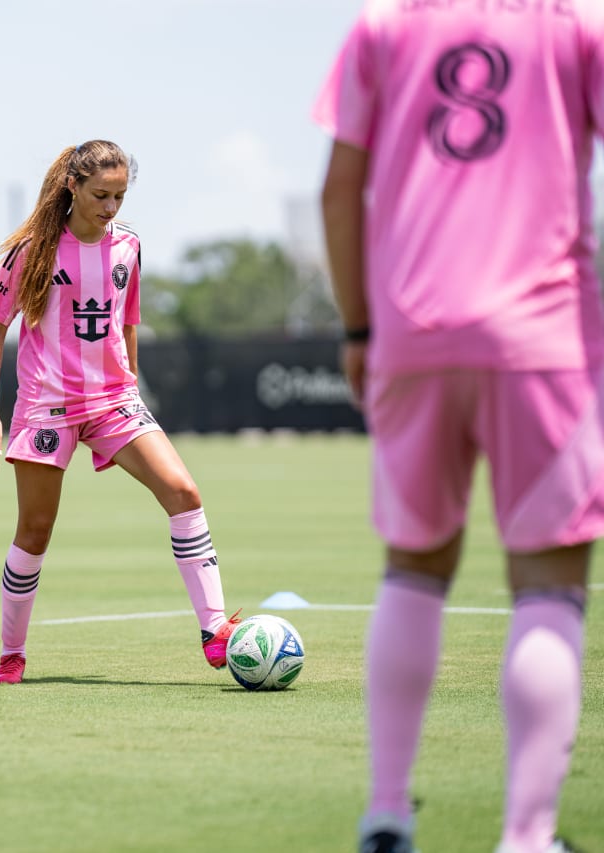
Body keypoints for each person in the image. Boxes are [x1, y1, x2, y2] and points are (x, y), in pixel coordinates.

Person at [315, 5, 603, 852]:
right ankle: (526, 834)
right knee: (548, 584)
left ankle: (387, 810)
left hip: (412, 329)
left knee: (414, 565)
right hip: (545, 339)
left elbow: (341, 187)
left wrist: (361, 328)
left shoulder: (382, 22)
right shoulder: (579, 21)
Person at [0, 139, 240, 685]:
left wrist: (132, 387)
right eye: (101, 194)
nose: (111, 206)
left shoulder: (129, 247)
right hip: (47, 406)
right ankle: (11, 654)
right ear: (73, 186)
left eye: (120, 196)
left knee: (184, 493)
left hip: (115, 401)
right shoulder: (32, 250)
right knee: (35, 530)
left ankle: (215, 633)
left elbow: (128, 320)